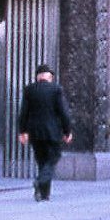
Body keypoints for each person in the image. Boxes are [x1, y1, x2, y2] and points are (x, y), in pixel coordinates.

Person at [18, 62, 73, 201]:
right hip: (52, 132)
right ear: (49, 77)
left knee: (42, 161)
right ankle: (40, 181)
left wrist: (22, 131)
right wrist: (67, 131)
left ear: (38, 77)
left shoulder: (29, 90)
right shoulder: (56, 89)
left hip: (35, 132)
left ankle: (44, 194)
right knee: (53, 158)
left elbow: (23, 112)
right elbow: (63, 112)